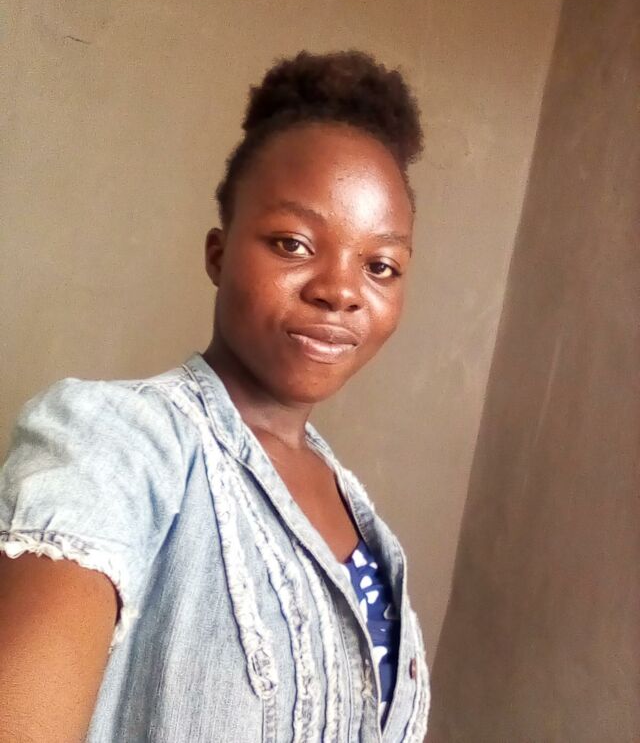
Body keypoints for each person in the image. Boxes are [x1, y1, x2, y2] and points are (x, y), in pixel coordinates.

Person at [0, 50, 430, 742]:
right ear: (218, 254)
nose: (340, 291)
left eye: (380, 265)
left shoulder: (357, 510)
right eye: (293, 243)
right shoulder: (119, 443)